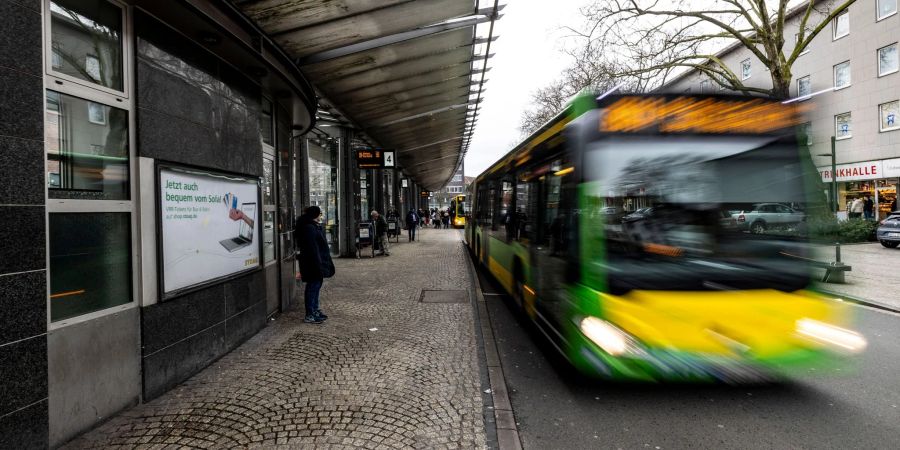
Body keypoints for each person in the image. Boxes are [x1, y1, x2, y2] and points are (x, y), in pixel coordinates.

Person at [295, 206, 335, 324]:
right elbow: (312, 248)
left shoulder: (311, 225)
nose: (320, 216)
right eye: (319, 213)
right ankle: (310, 314)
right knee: (313, 287)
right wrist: (318, 264)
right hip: (313, 263)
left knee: (316, 286)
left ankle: (315, 310)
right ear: (315, 214)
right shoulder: (309, 227)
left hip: (316, 262)